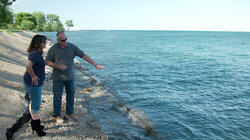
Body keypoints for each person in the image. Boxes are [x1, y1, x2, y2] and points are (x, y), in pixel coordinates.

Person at [45, 31, 104, 124]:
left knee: (71, 95)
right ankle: (57, 115)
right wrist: (58, 66)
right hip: (58, 78)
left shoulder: (72, 47)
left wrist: (94, 64)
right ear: (58, 40)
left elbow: (83, 55)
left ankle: (70, 113)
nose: (65, 41)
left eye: (66, 39)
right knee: (57, 97)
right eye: (62, 40)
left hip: (70, 78)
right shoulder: (53, 49)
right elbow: (47, 62)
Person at [23, 35, 47, 136]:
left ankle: (34, 123)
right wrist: (33, 76)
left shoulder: (36, 53)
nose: (45, 43)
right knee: (35, 105)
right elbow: (28, 66)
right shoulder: (34, 54)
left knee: (33, 102)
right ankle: (37, 128)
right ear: (38, 43)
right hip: (33, 84)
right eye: (44, 41)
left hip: (32, 83)